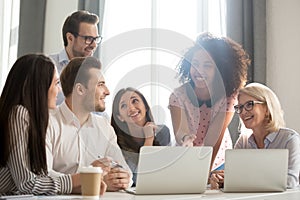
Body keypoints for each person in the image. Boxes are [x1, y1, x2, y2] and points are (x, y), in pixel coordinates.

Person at [0, 54, 106, 195]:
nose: (59, 90)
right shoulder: (19, 113)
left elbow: (38, 176)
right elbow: (27, 183)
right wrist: (76, 180)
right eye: (56, 83)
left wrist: (79, 184)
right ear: (40, 86)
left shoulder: (34, 119)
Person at [46, 57, 133, 192]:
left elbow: (124, 171)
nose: (108, 91)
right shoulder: (48, 123)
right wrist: (90, 178)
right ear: (80, 89)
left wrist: (123, 179)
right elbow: (42, 176)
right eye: (100, 84)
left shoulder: (104, 126)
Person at [169, 32, 250, 171]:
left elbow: (214, 138)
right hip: (186, 157)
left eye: (207, 65)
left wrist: (206, 171)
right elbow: (180, 131)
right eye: (195, 64)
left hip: (218, 161)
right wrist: (186, 138)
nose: (199, 71)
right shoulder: (178, 95)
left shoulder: (228, 97)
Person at [210, 82, 300, 189]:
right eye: (240, 107)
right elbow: (234, 178)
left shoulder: (289, 139)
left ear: (267, 109)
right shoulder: (243, 142)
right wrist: (220, 179)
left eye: (249, 105)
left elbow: (291, 181)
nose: (243, 112)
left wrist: (242, 179)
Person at [111, 87, 171, 185]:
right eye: (124, 106)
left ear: (145, 106)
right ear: (120, 117)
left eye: (134, 101)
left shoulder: (162, 132)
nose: (131, 108)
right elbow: (138, 179)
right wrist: (149, 139)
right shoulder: (116, 141)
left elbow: (165, 171)